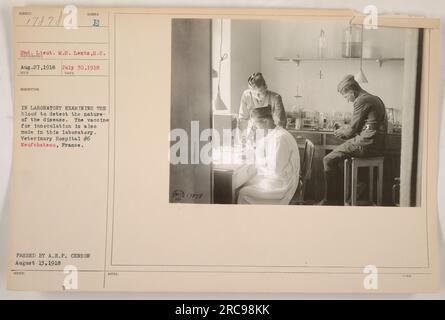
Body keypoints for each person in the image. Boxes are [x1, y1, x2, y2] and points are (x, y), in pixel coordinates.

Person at [319, 74, 388, 205]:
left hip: (366, 144)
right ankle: (355, 187)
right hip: (375, 144)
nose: (347, 100)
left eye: (346, 96)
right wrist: (346, 129)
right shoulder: (374, 98)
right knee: (338, 158)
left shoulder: (361, 100)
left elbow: (352, 131)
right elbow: (361, 125)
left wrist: (340, 133)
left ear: (352, 91)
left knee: (327, 159)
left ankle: (331, 200)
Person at [237, 106, 300, 205]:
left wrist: (258, 163)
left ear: (265, 121)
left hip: (282, 185)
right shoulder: (275, 133)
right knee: (248, 182)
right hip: (278, 177)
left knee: (243, 192)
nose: (255, 128)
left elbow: (276, 170)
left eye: (255, 124)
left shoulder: (280, 138)